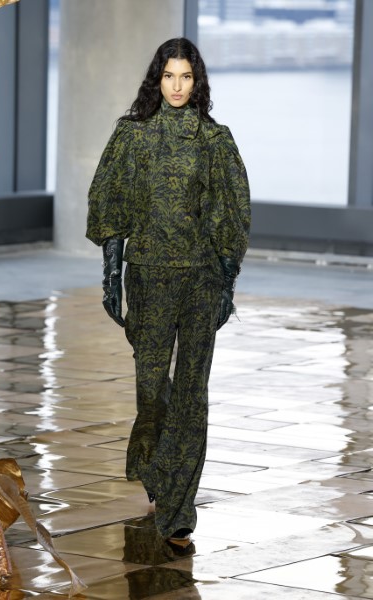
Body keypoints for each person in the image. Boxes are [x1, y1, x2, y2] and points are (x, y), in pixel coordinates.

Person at [86, 37, 250, 546]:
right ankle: (152, 461)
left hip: (200, 279)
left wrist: (227, 284)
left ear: (197, 82)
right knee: (152, 388)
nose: (177, 86)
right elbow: (111, 202)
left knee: (192, 394)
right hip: (149, 277)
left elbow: (231, 212)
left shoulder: (215, 140)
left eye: (186, 76)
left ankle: (179, 506)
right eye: (168, 76)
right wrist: (111, 276)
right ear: (156, 80)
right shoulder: (132, 135)